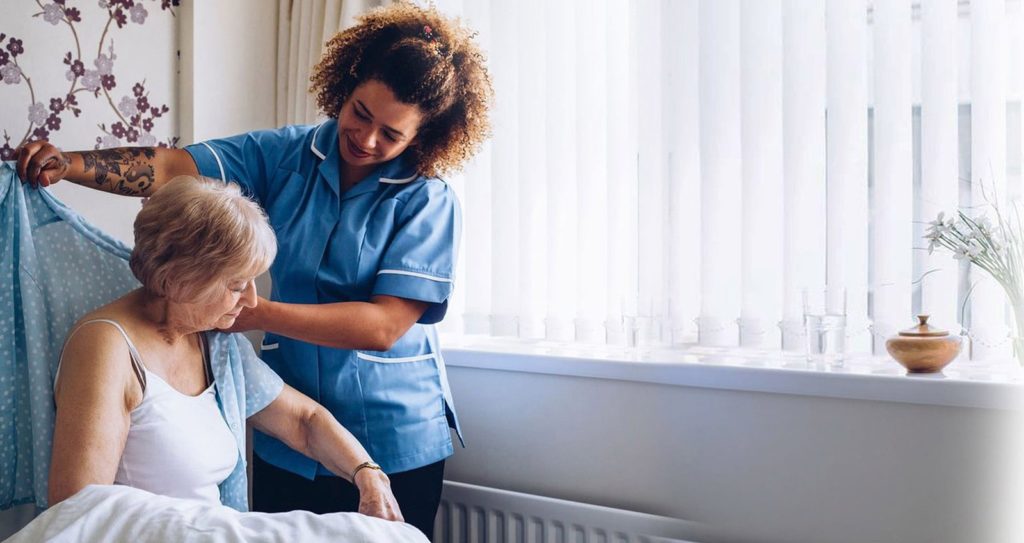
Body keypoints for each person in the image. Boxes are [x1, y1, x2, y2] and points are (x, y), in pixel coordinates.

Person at [18, 1, 493, 535]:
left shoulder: (427, 200)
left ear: (422, 138)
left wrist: (247, 309)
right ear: (346, 86)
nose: (366, 138)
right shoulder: (285, 155)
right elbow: (174, 167)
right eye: (361, 113)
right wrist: (70, 165)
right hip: (288, 436)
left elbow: (382, 327)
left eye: (391, 134)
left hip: (393, 434)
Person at [49, 176, 402, 524]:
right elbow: (78, 510)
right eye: (236, 285)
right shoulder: (106, 348)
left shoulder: (215, 343)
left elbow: (303, 421)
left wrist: (368, 473)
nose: (251, 300)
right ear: (176, 279)